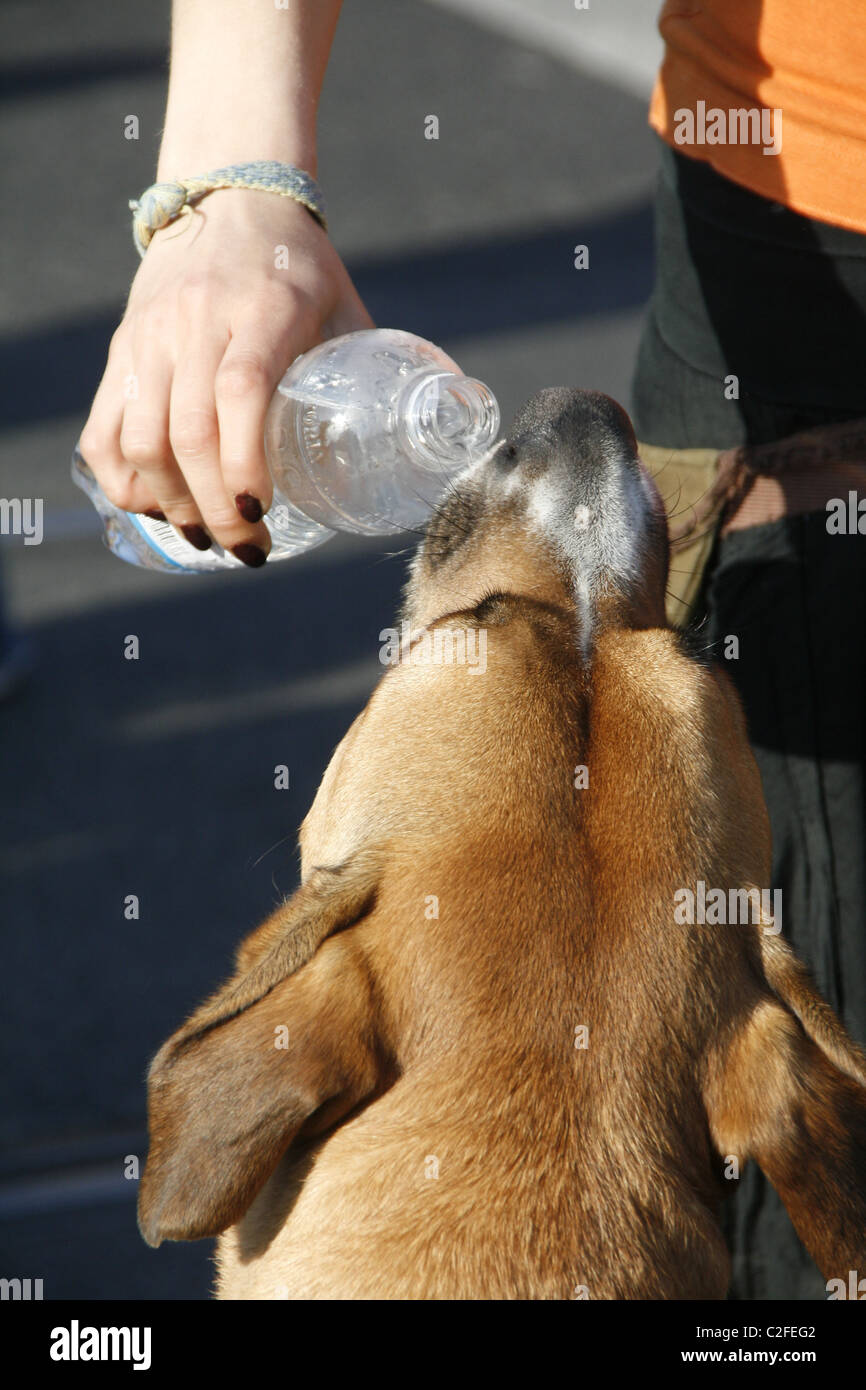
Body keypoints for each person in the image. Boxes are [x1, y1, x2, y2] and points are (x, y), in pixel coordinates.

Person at [81, 1, 865, 1300]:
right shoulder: (770, 1051)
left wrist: (226, 181)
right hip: (804, 182)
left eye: (491, 622)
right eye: (654, 637)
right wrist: (235, 182)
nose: (583, 439)